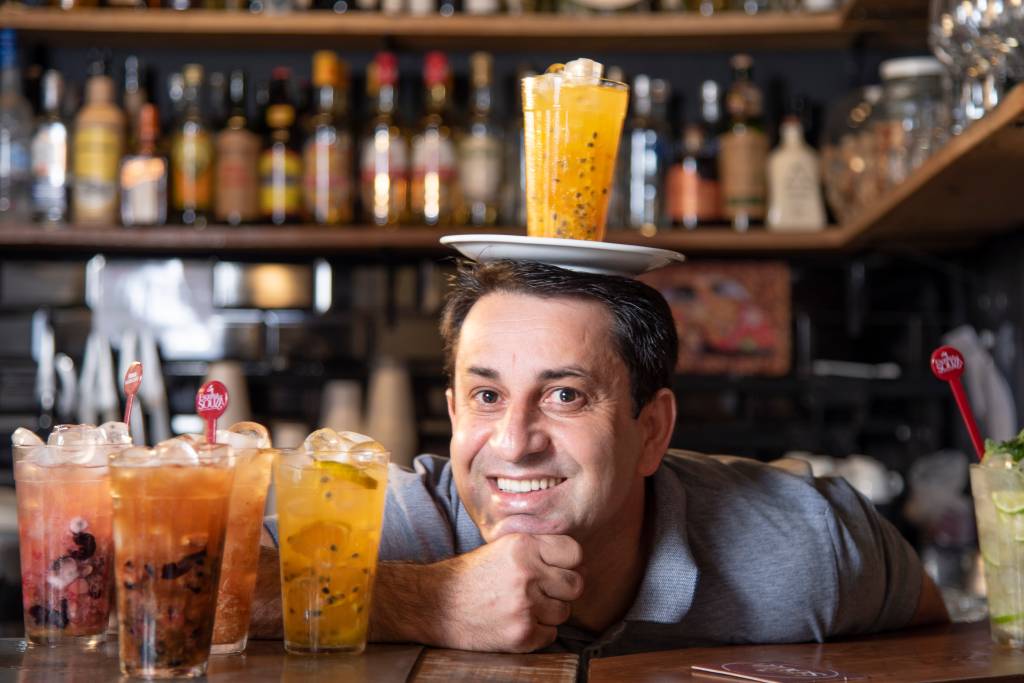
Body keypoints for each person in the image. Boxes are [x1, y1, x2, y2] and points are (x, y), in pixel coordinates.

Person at [251, 259, 947, 663]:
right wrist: (429, 599)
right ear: (455, 414)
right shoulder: (391, 520)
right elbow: (180, 583)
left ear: (652, 430)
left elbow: (942, 642)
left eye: (564, 394)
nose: (516, 439)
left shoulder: (804, 541)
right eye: (487, 394)